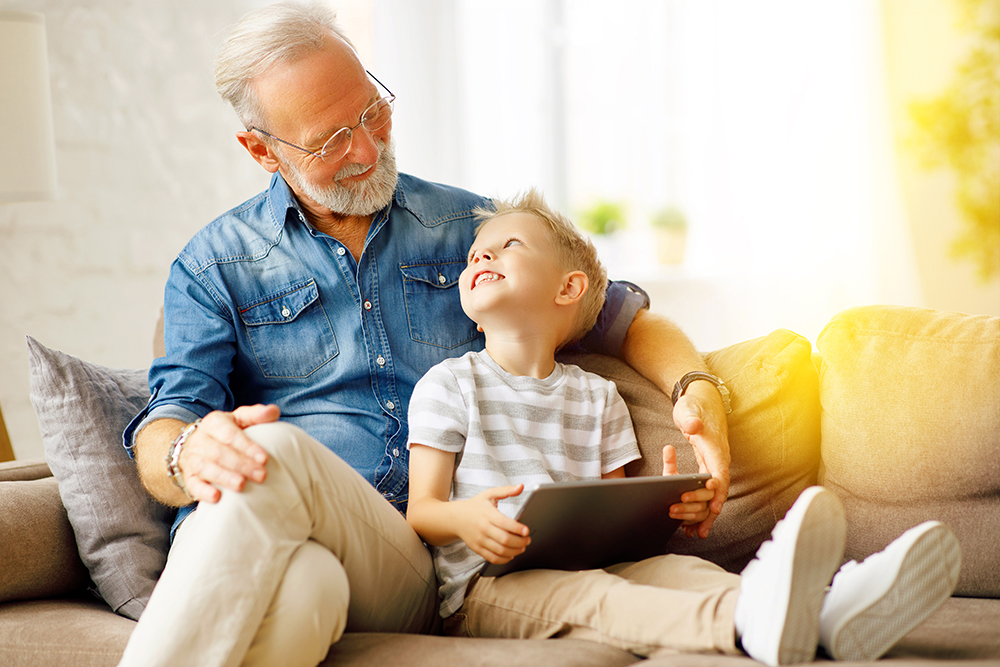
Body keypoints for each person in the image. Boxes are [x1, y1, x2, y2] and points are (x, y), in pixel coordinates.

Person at [117, 3, 731, 667]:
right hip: (287, 549)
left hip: (416, 561)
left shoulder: (471, 230)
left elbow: (624, 319)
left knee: (269, 452)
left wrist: (699, 390)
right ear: (261, 150)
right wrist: (188, 452)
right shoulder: (214, 267)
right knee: (305, 590)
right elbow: (163, 429)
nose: (368, 147)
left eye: (372, 110)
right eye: (329, 141)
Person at [405, 190, 963, 665]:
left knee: (675, 569)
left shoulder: (599, 397)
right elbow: (423, 512)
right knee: (591, 594)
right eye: (477, 252)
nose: (483, 256)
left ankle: (829, 610)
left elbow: (609, 517)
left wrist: (665, 506)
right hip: (487, 590)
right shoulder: (448, 385)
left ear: (569, 289)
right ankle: (750, 620)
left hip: (595, 562)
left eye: (510, 246)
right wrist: (466, 518)